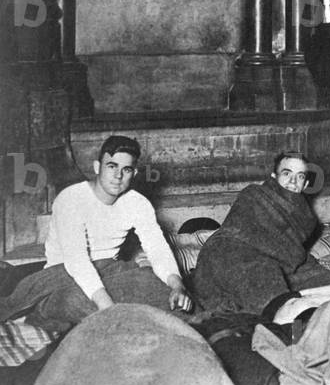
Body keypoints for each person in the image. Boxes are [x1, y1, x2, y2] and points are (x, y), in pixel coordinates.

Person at [0, 135, 190, 332]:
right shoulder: (71, 199)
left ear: (134, 173)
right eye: (112, 166)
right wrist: (108, 308)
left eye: (126, 169)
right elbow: (77, 261)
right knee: (74, 301)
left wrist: (177, 287)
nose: (118, 176)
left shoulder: (138, 203)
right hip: (63, 278)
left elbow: (157, 249)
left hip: (109, 273)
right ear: (97, 167)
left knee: (158, 286)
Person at [193, 151, 330, 315]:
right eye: (286, 173)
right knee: (262, 272)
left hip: (268, 262)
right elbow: (237, 232)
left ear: (305, 184)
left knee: (323, 278)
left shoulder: (307, 217)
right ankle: (279, 316)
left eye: (300, 176)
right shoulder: (254, 195)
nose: (292, 181)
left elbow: (291, 252)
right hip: (229, 252)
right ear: (273, 177)